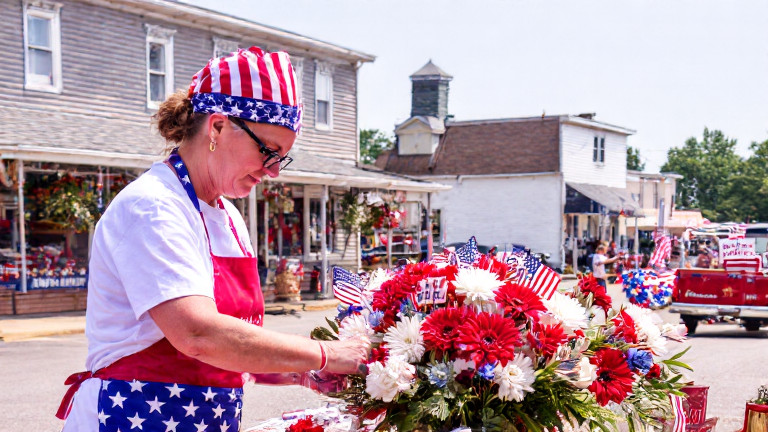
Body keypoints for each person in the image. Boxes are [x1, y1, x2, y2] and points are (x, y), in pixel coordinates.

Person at [57, 47, 370, 431]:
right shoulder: (153, 206)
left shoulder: (229, 218)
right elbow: (197, 334)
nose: (273, 171)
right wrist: (324, 353)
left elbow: (230, 348)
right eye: (268, 151)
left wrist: (300, 371)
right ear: (218, 127)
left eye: (282, 158)